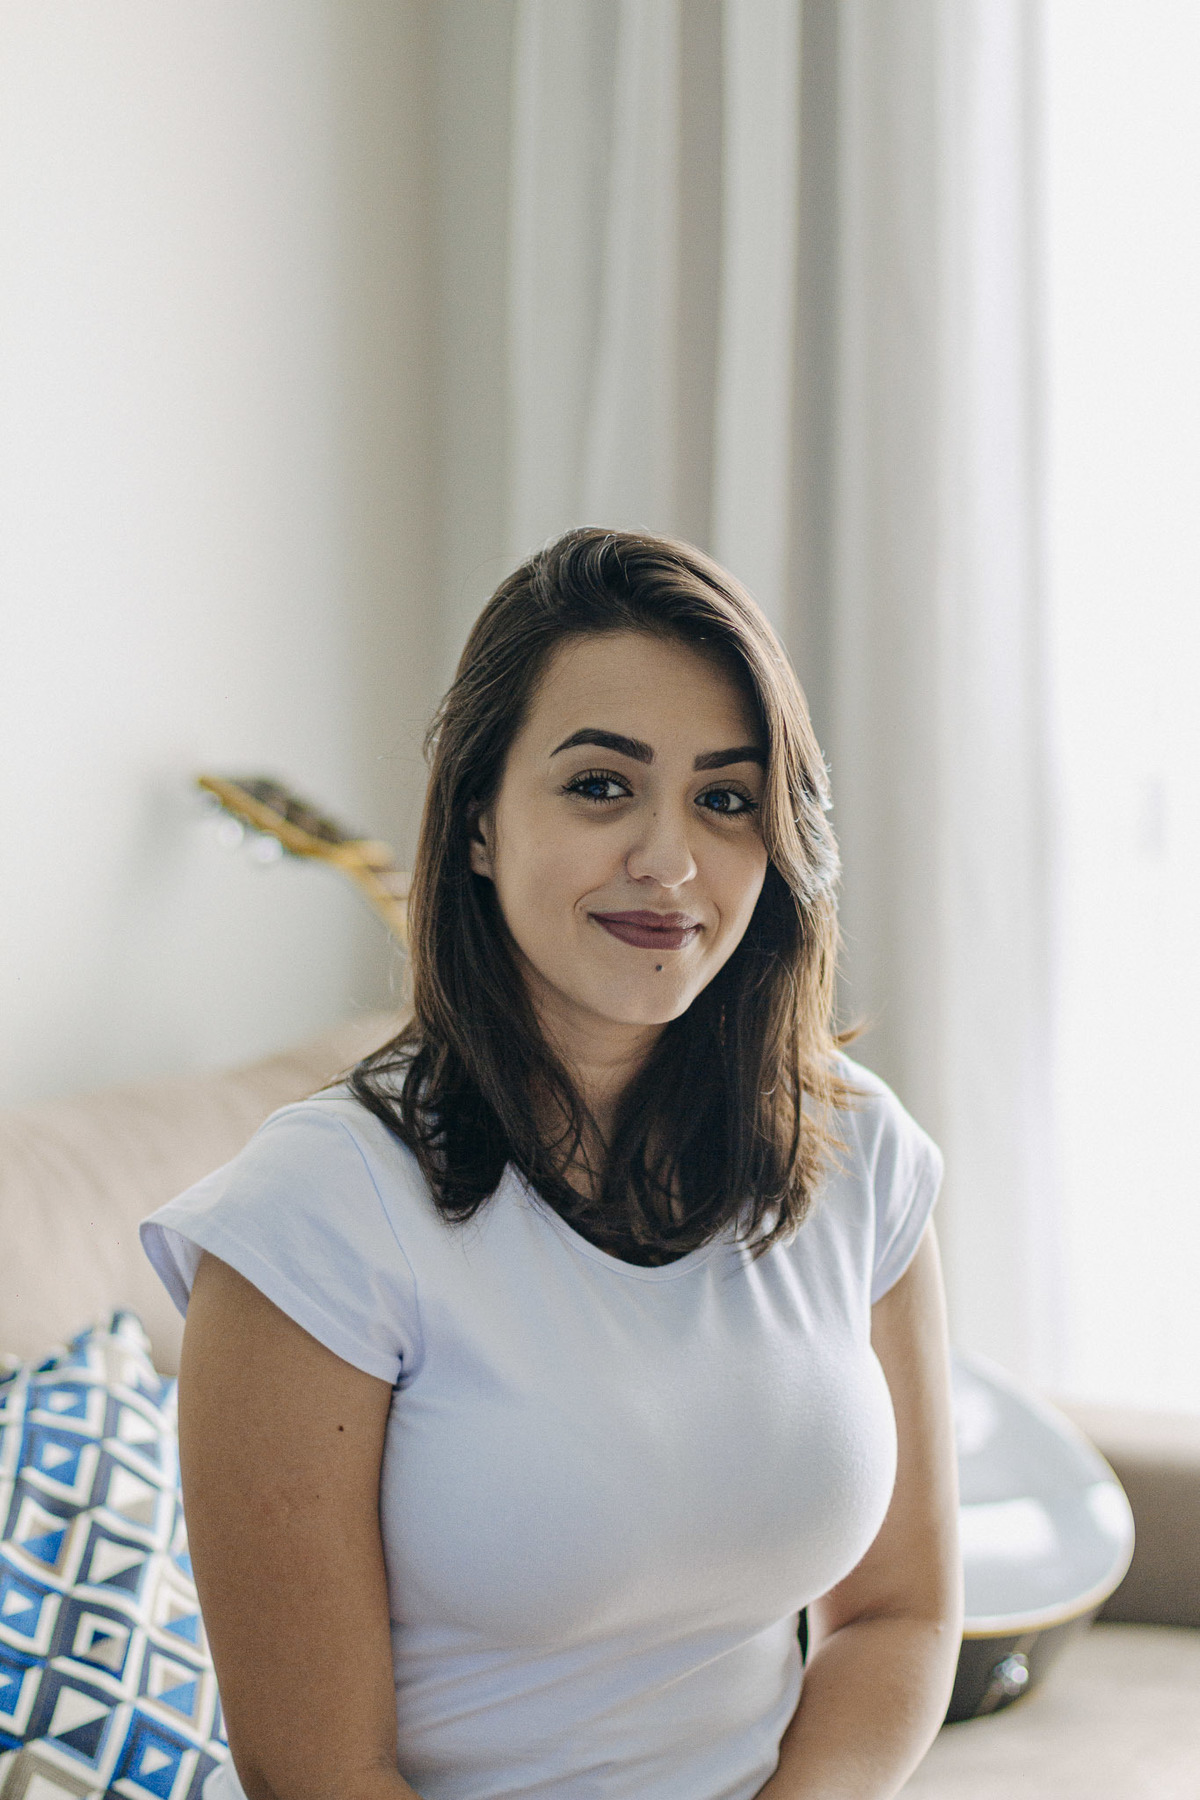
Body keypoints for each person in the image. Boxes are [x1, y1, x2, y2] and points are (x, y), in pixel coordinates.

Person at [141, 527, 962, 1800]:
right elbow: (318, 1773)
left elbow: (901, 1611)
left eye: (726, 799)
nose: (669, 861)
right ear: (477, 822)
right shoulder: (313, 1218)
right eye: (599, 786)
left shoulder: (853, 1150)